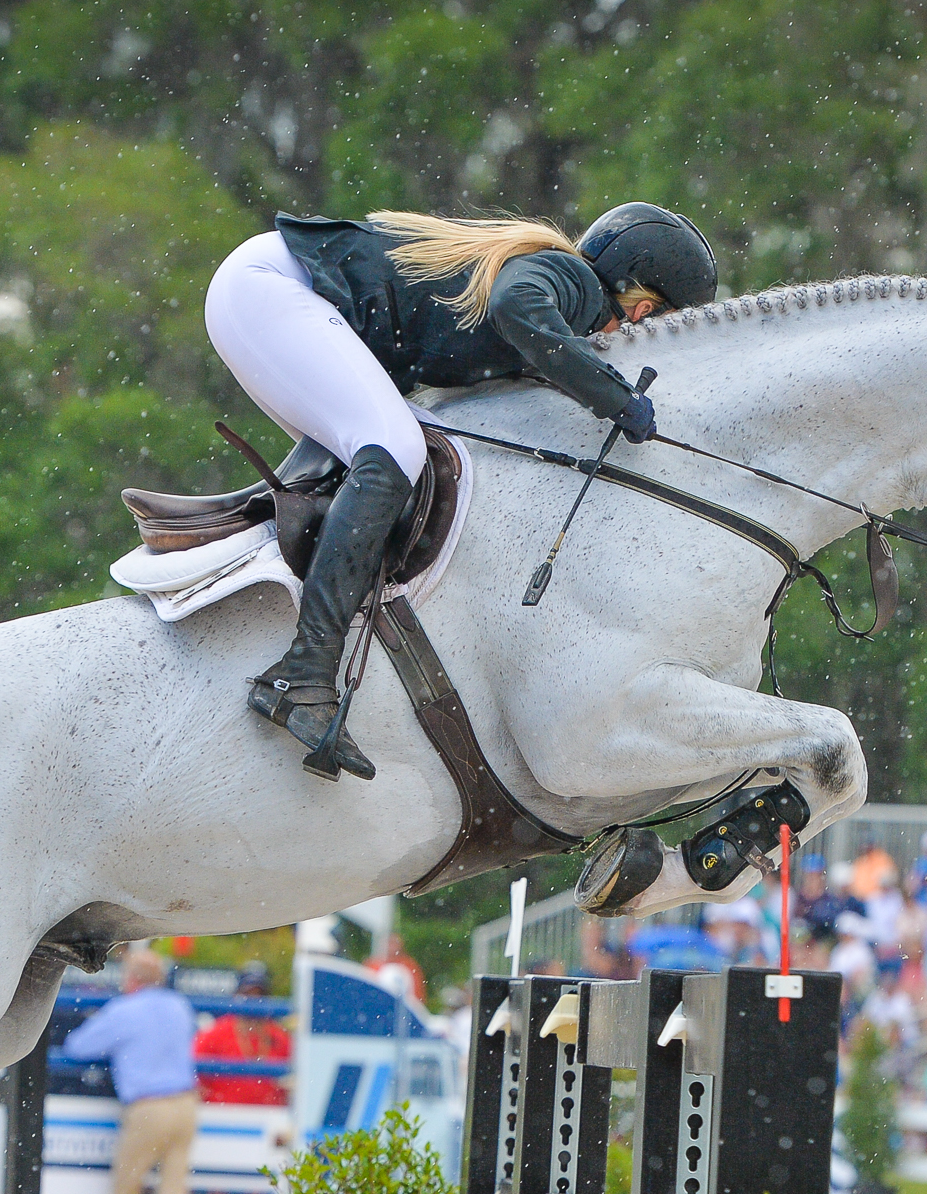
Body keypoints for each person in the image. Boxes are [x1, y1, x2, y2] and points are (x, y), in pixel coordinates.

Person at [202, 204, 719, 778]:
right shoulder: (576, 285)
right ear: (644, 310)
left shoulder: (559, 288)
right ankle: (303, 673)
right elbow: (514, 308)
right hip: (273, 289)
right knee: (395, 450)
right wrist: (617, 399)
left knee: (382, 459)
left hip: (262, 292)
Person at [61, 947, 201, 1194]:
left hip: (147, 1108)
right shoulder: (179, 1006)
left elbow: (77, 1047)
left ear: (132, 979)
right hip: (186, 1103)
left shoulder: (125, 1010)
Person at [192, 960, 292, 1105]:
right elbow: (193, 1078)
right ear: (237, 995)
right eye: (248, 994)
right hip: (223, 1117)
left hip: (269, 1119)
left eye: (260, 994)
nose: (254, 1000)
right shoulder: (214, 1034)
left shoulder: (281, 1037)